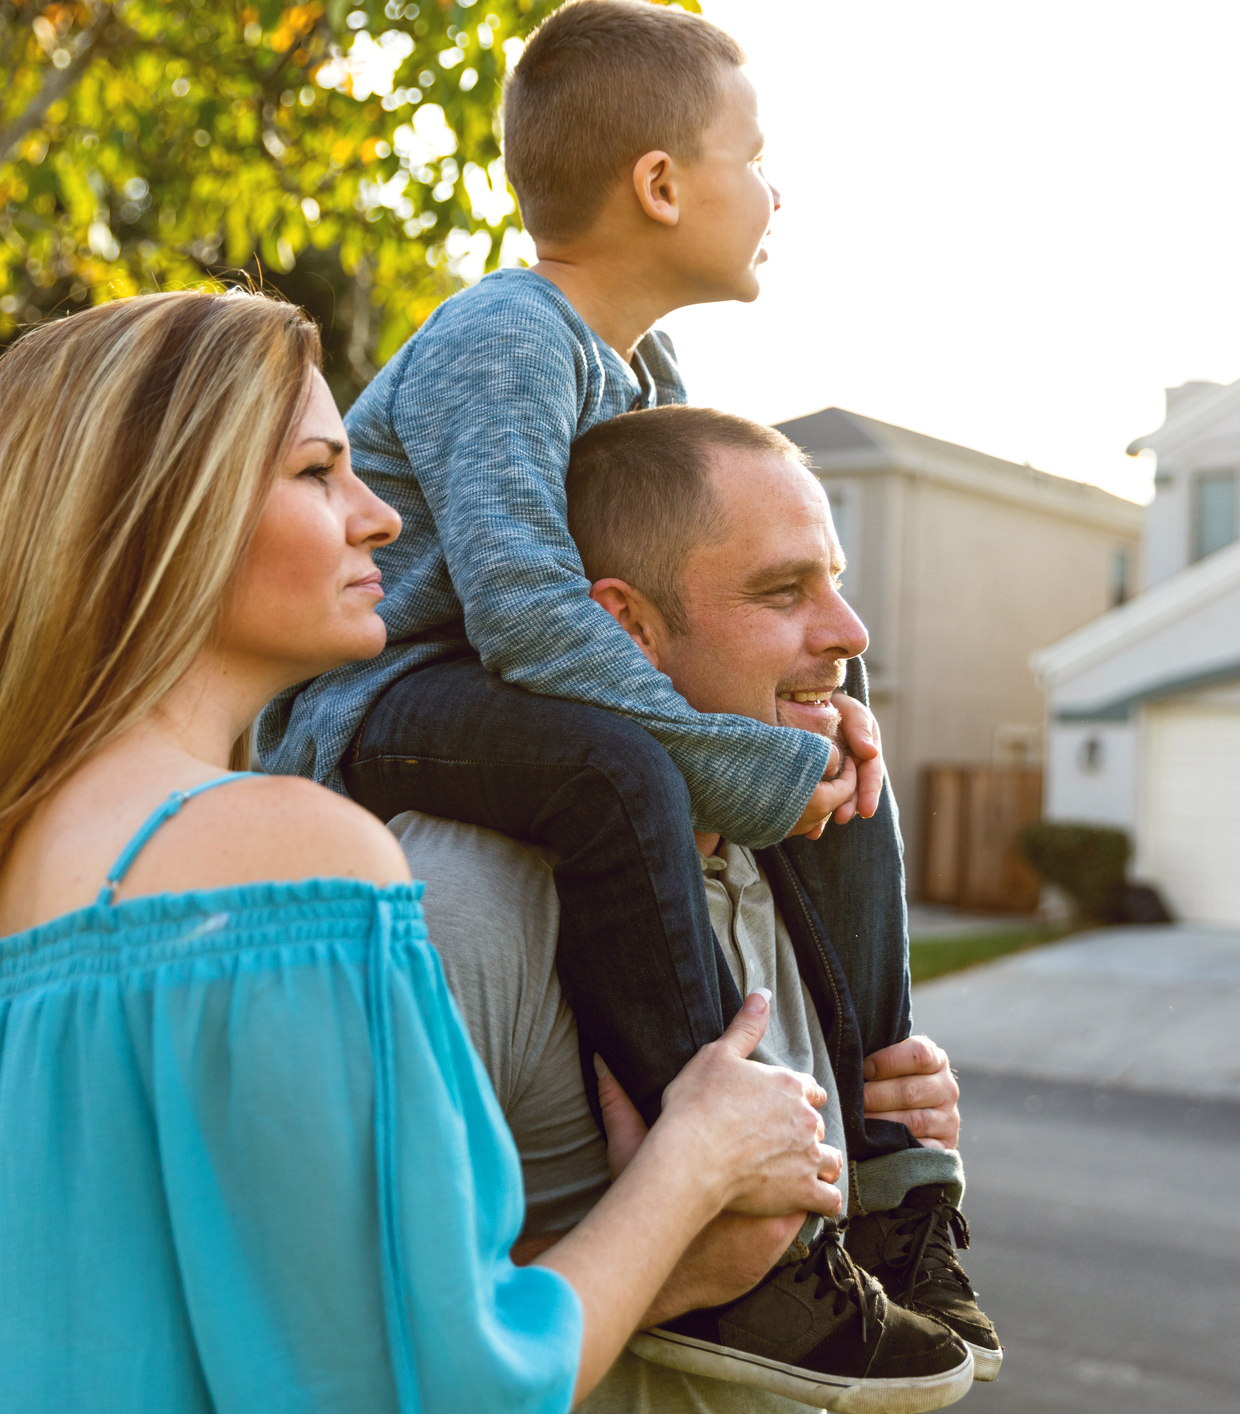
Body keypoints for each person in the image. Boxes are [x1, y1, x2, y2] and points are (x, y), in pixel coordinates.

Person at [0, 290, 849, 1413]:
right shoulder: (282, 862)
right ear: (161, 517)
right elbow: (433, 1389)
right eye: (320, 471)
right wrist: (690, 1175)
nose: (378, 517)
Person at [255, 5, 997, 1393]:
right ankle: (737, 1227)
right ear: (660, 184)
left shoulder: (645, 370)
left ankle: (894, 1179)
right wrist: (739, 758)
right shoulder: (507, 336)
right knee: (620, 775)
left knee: (833, 751)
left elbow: (661, 574)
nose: (780, 190)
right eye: (758, 156)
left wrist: (814, 726)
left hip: (503, 684)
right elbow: (533, 614)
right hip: (386, 701)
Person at [399, 406, 994, 1413]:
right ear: (625, 626)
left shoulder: (801, 854)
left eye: (836, 582)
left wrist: (884, 1128)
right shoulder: (457, 897)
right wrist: (684, 1250)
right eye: (781, 591)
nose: (849, 632)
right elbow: (363, 1330)